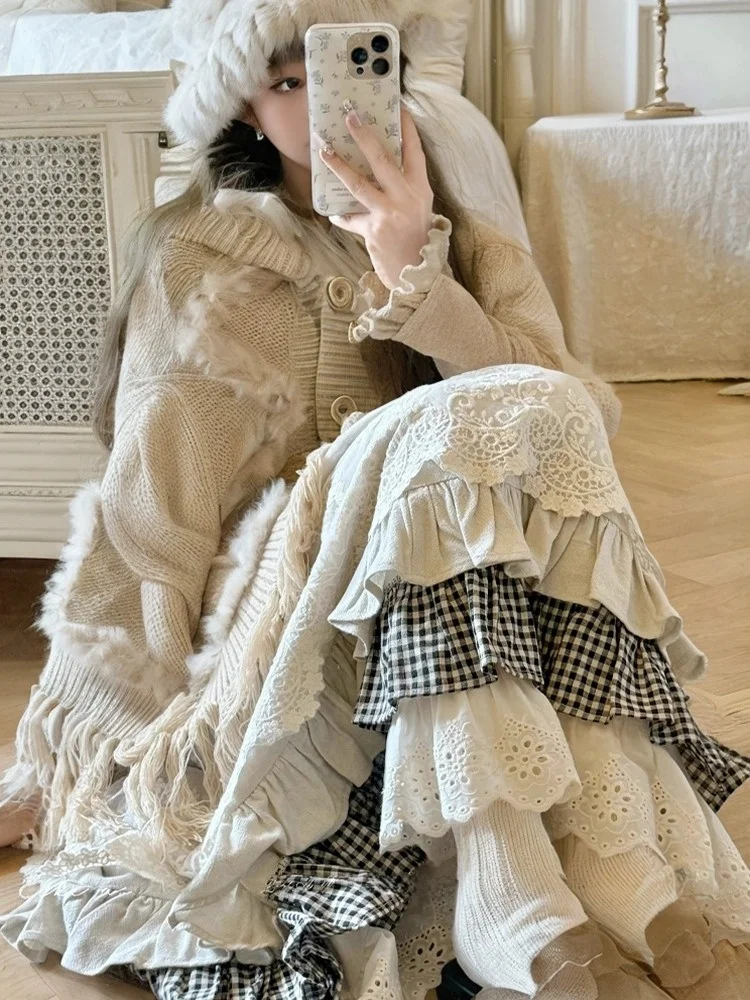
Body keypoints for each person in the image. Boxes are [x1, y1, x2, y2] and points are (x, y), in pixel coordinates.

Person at [1, 1, 749, 997]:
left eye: (358, 66)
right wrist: (81, 742)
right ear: (243, 109)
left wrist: (416, 273)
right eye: (287, 80)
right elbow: (152, 514)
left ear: (398, 76)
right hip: (289, 634)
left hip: (464, 615)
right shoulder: (199, 264)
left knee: (507, 416)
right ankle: (536, 887)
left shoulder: (473, 245)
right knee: (433, 432)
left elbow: (568, 426)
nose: (327, 105)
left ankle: (566, 870)